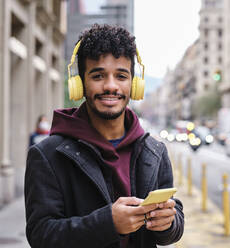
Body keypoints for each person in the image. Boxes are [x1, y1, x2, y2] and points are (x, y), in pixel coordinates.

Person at [25, 24, 184, 248]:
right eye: (98, 75)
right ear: (80, 83)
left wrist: (169, 222)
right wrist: (108, 224)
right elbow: (41, 236)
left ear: (134, 84)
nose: (111, 86)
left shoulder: (155, 151)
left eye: (121, 76)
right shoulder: (46, 155)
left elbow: (172, 228)